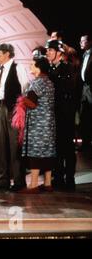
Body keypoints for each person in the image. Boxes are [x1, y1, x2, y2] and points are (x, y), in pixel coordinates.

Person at [0, 43, 28, 191]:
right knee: (0, 144)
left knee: (14, 145)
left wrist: (19, 109)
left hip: (13, 109)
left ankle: (18, 180)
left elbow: (25, 87)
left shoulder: (17, 68)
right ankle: (3, 179)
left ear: (7, 54)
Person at [17, 57, 56, 194]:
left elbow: (32, 103)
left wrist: (21, 99)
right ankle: (47, 183)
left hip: (38, 124)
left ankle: (33, 185)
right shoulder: (50, 82)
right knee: (47, 152)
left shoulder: (37, 83)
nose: (30, 67)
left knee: (36, 153)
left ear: (39, 68)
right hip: (49, 123)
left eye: (33, 65)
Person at [46, 40, 77, 191]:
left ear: (59, 53)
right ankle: (58, 178)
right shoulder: (51, 69)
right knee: (56, 148)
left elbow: (68, 90)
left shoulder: (67, 68)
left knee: (67, 148)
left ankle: (70, 180)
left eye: (51, 50)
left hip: (65, 114)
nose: (48, 53)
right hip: (54, 114)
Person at [79, 34, 92, 155]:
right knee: (84, 117)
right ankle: (85, 143)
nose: (80, 43)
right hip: (85, 88)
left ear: (89, 42)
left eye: (83, 41)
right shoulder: (84, 54)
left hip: (91, 88)